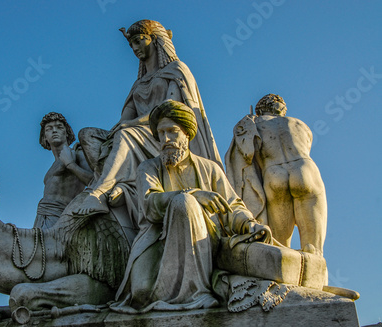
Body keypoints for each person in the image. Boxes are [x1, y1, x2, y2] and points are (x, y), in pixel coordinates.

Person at [111, 100, 271, 313]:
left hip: (204, 241)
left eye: (172, 132)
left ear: (187, 134)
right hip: (158, 241)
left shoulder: (210, 169)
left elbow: (232, 206)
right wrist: (195, 194)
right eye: (161, 133)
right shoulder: (148, 167)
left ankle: (197, 293)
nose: (166, 139)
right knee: (140, 292)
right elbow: (150, 205)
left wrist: (249, 224)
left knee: (184, 203)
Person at [74, 19, 222, 220]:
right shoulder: (138, 83)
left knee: (126, 134)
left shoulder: (176, 70)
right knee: (88, 134)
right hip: (135, 132)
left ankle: (99, 193)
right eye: (131, 44)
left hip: (162, 133)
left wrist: (129, 125)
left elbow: (168, 109)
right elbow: (124, 118)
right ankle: (122, 184)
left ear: (155, 40)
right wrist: (113, 131)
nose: (135, 48)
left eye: (139, 40)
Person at [225, 94, 327, 255]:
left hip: (273, 173)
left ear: (260, 109)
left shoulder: (254, 124)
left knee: (280, 247)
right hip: (304, 168)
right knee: (313, 249)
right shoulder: (299, 124)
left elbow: (246, 156)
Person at [33, 112, 93, 229]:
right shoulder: (52, 166)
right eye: (49, 129)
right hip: (43, 216)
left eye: (59, 127)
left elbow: (94, 181)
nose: (54, 131)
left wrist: (70, 164)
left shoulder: (77, 153)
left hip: (62, 217)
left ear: (66, 133)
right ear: (44, 137)